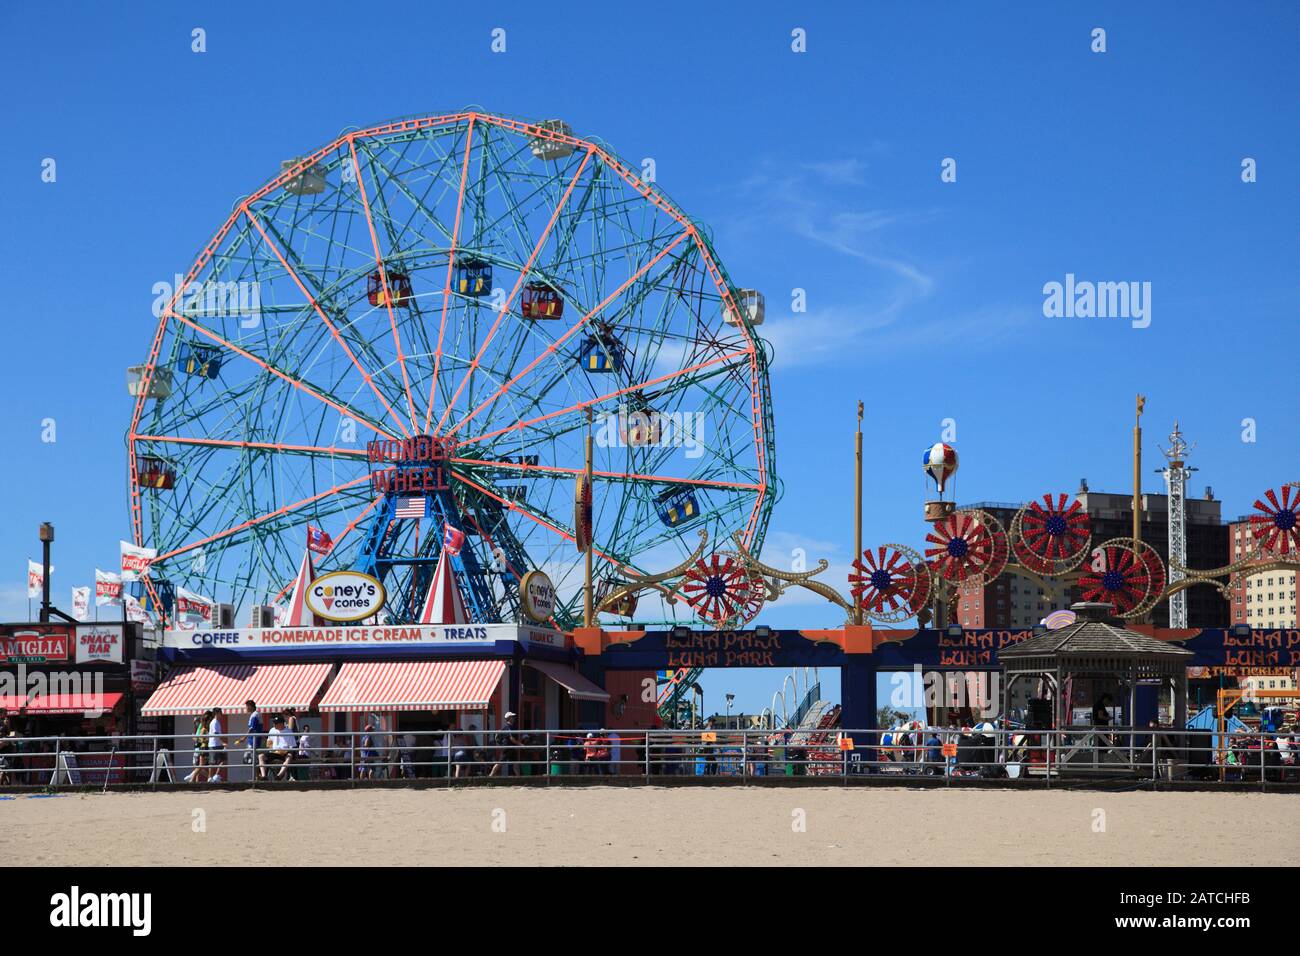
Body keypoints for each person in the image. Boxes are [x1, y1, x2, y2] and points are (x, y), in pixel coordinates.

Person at [235, 700, 265, 779]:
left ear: (250, 706)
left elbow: (252, 728)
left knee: (250, 759)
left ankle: (257, 776)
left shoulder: (254, 715)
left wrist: (244, 738)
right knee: (252, 759)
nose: (246, 708)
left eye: (247, 706)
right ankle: (257, 776)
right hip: (255, 740)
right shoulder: (256, 714)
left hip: (253, 740)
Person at [261, 715, 296, 780]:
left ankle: (279, 776)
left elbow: (292, 746)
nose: (274, 725)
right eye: (274, 723)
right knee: (261, 756)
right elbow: (269, 743)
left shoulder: (288, 731)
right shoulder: (272, 730)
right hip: (274, 752)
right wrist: (271, 750)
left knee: (289, 756)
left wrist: (284, 751)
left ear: (281, 724)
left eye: (276, 723)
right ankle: (263, 776)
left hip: (284, 752)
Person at [490, 712, 520, 777]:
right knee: (501, 762)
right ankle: (490, 775)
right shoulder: (508, 727)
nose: (514, 718)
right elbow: (512, 738)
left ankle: (519, 777)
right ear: (509, 718)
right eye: (512, 717)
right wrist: (520, 744)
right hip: (507, 748)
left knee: (515, 763)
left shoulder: (510, 727)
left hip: (511, 747)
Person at [185, 712, 209, 783]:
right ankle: (197, 779)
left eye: (196, 721)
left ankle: (192, 778)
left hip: (199, 748)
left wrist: (194, 737)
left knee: (197, 766)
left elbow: (199, 739)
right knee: (199, 766)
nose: (195, 723)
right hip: (199, 748)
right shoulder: (200, 727)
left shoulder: (201, 727)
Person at [207, 709, 226, 782]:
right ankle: (210, 777)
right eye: (220, 712)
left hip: (217, 743)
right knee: (212, 762)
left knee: (223, 760)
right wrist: (222, 741)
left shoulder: (216, 722)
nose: (222, 714)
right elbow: (215, 733)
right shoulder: (214, 722)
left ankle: (215, 776)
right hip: (214, 744)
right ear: (217, 713)